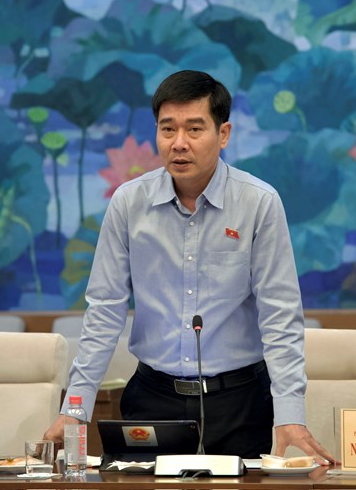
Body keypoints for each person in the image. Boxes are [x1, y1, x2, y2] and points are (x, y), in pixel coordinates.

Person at [44, 70, 334, 463]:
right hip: (152, 399)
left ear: (224, 134)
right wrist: (75, 408)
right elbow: (105, 311)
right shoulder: (129, 203)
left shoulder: (258, 203)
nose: (179, 143)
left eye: (194, 129)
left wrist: (290, 416)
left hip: (240, 404)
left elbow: (279, 316)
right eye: (168, 129)